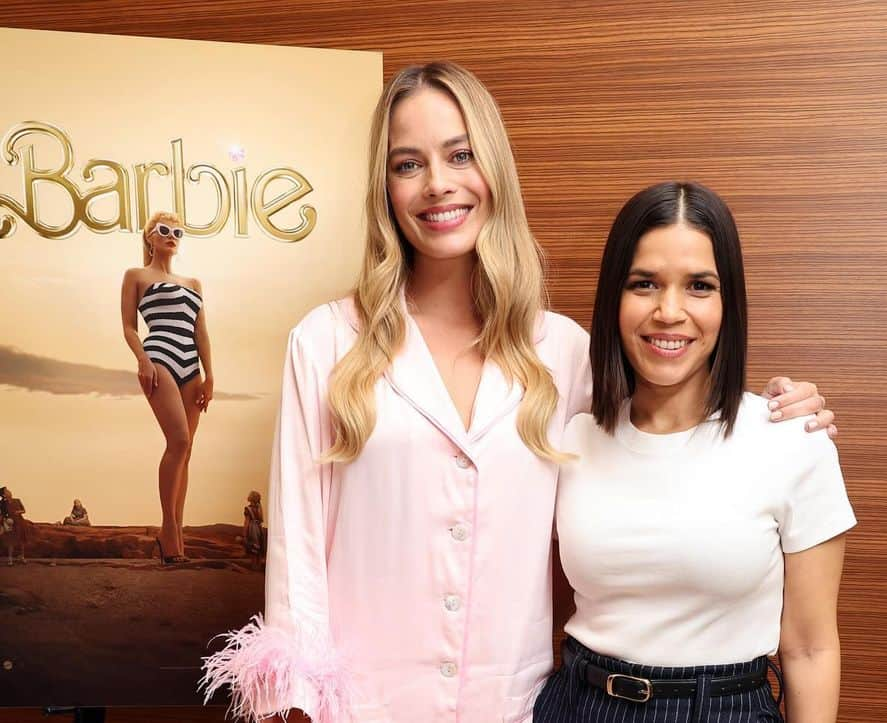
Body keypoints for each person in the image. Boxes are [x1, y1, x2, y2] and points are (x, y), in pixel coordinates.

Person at [200, 62, 835, 723]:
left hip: (519, 709)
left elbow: (669, 424)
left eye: (460, 154)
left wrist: (782, 408)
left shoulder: (565, 353)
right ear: (384, 187)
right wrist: (295, 707)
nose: (438, 183)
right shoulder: (325, 344)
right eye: (408, 164)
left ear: (494, 169)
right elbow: (296, 556)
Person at [534, 182, 855, 723]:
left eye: (699, 286)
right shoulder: (570, 439)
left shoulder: (789, 439)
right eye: (644, 284)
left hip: (722, 709)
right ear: (614, 295)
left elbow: (811, 649)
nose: (669, 311)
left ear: (729, 302)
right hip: (579, 704)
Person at [121, 212, 215, 564]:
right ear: (149, 236)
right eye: (164, 230)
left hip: (191, 365)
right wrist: (142, 359)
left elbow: (201, 331)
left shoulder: (193, 282)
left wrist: (210, 375)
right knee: (179, 441)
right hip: (159, 356)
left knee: (186, 451)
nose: (171, 236)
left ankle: (176, 528)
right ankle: (168, 528)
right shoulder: (136, 275)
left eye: (177, 231)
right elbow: (129, 326)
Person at [1, 486, 30, 565]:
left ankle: (22, 556)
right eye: (6, 491)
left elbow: (24, 510)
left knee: (22, 540)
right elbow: (3, 514)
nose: (9, 492)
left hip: (20, 521)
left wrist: (18, 512)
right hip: (11, 522)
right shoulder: (3, 503)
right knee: (11, 541)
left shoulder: (17, 500)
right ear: (4, 495)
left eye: (8, 490)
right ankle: (10, 559)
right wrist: (5, 522)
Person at [243, 491, 267, 567]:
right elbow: (261, 520)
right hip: (259, 528)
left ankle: (254, 565)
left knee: (253, 546)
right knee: (259, 545)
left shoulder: (248, 509)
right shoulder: (259, 508)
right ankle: (258, 565)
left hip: (252, 528)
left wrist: (245, 533)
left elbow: (247, 522)